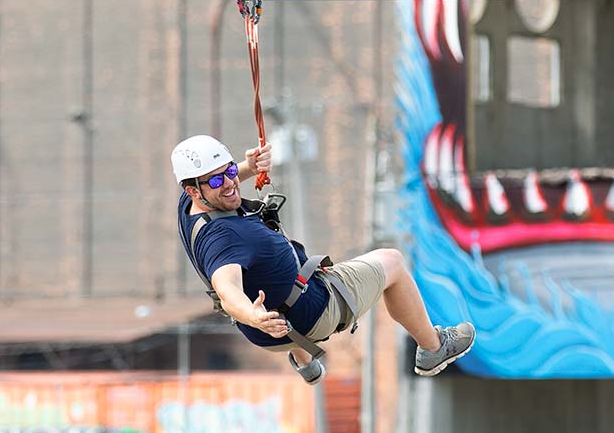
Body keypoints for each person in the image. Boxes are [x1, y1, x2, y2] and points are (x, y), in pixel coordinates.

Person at [172, 134, 474, 384]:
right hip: (309, 312)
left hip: (272, 326)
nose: (229, 183)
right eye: (215, 182)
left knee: (273, 266)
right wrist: (254, 316)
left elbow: (220, 179)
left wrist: (248, 166)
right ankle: (433, 349)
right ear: (193, 189)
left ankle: (305, 361)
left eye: (230, 172)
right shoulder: (223, 239)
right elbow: (228, 290)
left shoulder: (190, 206)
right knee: (392, 262)